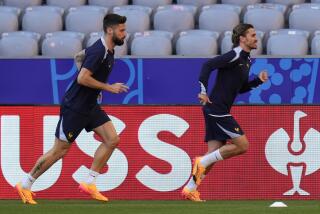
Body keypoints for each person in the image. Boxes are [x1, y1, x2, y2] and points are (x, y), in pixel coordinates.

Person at [15, 14, 129, 204]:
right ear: (110, 30)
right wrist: (108, 87)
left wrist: (96, 88)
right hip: (75, 107)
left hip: (90, 105)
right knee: (59, 151)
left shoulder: (107, 49)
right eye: (122, 30)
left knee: (112, 139)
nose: (125, 34)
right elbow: (82, 78)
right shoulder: (99, 51)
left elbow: (78, 57)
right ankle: (25, 184)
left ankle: (89, 182)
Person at [181, 23, 269, 202]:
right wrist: (203, 91)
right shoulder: (234, 54)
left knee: (214, 152)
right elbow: (208, 65)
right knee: (242, 145)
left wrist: (257, 81)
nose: (256, 38)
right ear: (242, 39)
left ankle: (190, 189)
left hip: (218, 109)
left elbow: (240, 88)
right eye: (252, 35)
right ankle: (201, 162)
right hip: (216, 109)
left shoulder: (246, 59)